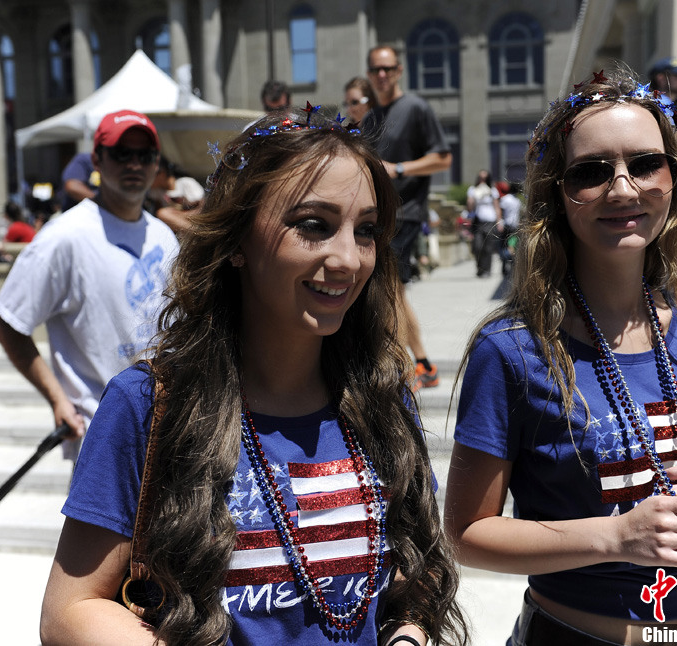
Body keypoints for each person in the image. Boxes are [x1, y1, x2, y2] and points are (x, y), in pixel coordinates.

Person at [40, 109, 467, 646]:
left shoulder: (383, 399)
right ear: (237, 238)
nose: (348, 259)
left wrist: (408, 636)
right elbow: (71, 610)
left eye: (364, 231)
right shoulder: (147, 405)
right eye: (313, 225)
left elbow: (412, 569)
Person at [444, 69, 677, 646]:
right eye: (591, 172)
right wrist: (614, 538)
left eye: (645, 164)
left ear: (675, 178)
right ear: (558, 196)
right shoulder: (511, 351)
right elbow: (466, 534)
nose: (623, 188)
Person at [0, 110, 179, 460]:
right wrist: (57, 399)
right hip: (101, 437)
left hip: (166, 430)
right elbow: (6, 322)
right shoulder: (64, 237)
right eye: (122, 154)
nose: (134, 164)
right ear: (97, 159)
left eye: (145, 155)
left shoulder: (164, 235)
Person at [363, 44, 450, 392]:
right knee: (394, 292)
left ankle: (400, 370)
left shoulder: (415, 107)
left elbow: (443, 158)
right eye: (375, 70)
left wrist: (398, 169)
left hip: (407, 213)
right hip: (377, 216)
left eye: (387, 69)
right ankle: (423, 363)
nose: (381, 75)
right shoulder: (370, 118)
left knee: (387, 292)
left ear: (399, 70)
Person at [466, 170, 503, 278]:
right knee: (477, 246)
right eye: (481, 178)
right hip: (478, 221)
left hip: (490, 221)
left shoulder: (492, 190)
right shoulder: (473, 190)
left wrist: (499, 221)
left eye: (485, 178)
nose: (482, 180)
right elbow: (469, 208)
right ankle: (480, 267)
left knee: (488, 247)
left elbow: (497, 207)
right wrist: (472, 199)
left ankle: (487, 270)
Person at [496, 180, 521, 277]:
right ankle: (512, 264)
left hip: (506, 225)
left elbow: (500, 212)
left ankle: (504, 265)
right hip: (515, 226)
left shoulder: (505, 199)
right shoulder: (517, 201)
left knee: (503, 246)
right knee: (512, 245)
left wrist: (499, 222)